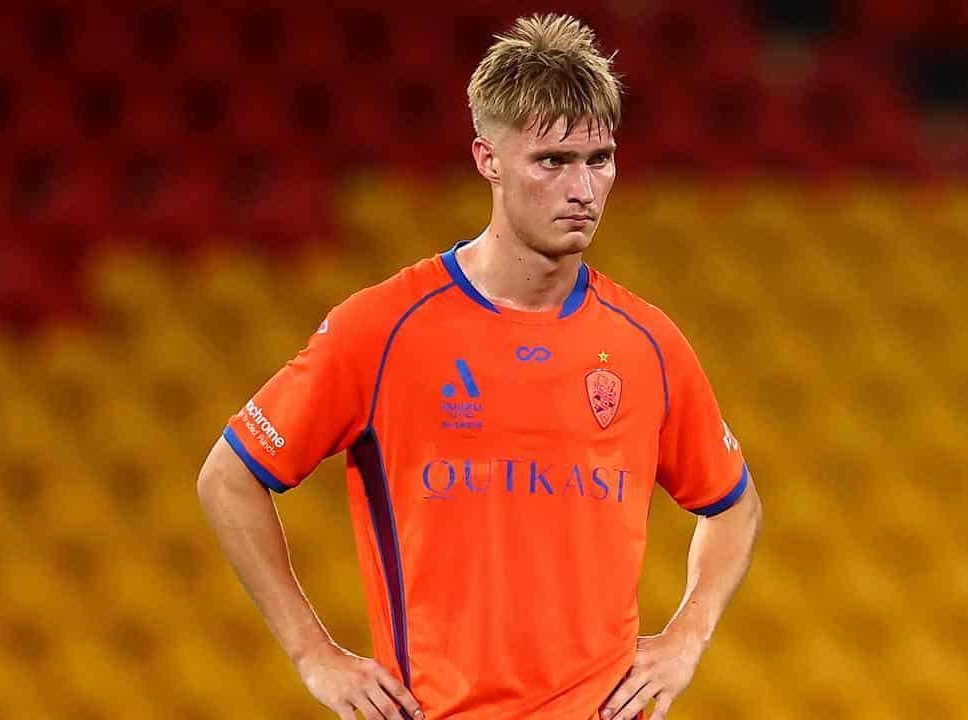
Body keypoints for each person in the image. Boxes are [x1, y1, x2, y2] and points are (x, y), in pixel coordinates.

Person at [197, 13, 762, 720]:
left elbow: (734, 503)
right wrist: (315, 654)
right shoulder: (385, 328)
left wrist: (687, 637)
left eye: (600, 158)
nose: (584, 189)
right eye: (552, 161)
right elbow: (229, 477)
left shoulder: (647, 343)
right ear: (487, 159)